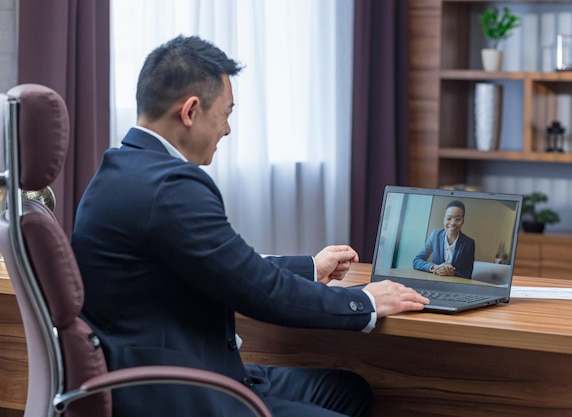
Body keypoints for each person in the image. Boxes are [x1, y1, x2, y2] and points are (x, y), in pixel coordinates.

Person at [72, 35, 429, 417]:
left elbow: (228, 265)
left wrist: (310, 266)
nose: (227, 130)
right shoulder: (170, 186)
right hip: (178, 393)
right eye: (225, 114)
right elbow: (259, 291)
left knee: (347, 390)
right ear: (190, 111)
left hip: (162, 371)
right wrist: (368, 301)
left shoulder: (120, 169)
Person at [412, 200, 475, 279]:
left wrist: (451, 272)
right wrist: (435, 268)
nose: (452, 223)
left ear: (463, 221)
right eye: (449, 218)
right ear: (444, 220)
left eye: (458, 219)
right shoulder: (436, 235)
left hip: (455, 285)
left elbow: (467, 274)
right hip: (435, 281)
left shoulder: (468, 243)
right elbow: (417, 260)